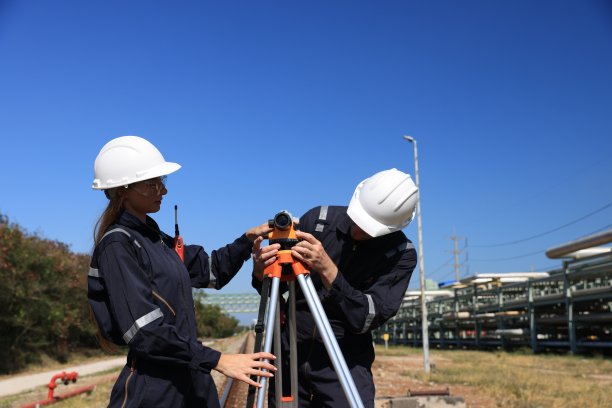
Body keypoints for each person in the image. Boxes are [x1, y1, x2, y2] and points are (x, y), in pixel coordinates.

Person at [87, 136, 276, 408]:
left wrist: (246, 241)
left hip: (191, 379)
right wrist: (219, 360)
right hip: (156, 389)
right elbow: (145, 333)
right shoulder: (118, 245)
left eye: (162, 181)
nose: (162, 190)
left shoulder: (157, 241)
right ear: (123, 189)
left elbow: (212, 271)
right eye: (152, 183)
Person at [252, 168, 418, 407]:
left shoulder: (400, 255)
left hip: (345, 361)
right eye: (358, 221)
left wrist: (327, 268)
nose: (358, 231)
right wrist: (261, 270)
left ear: (393, 228)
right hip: (292, 353)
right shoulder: (319, 221)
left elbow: (367, 318)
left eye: (369, 230)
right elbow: (275, 287)